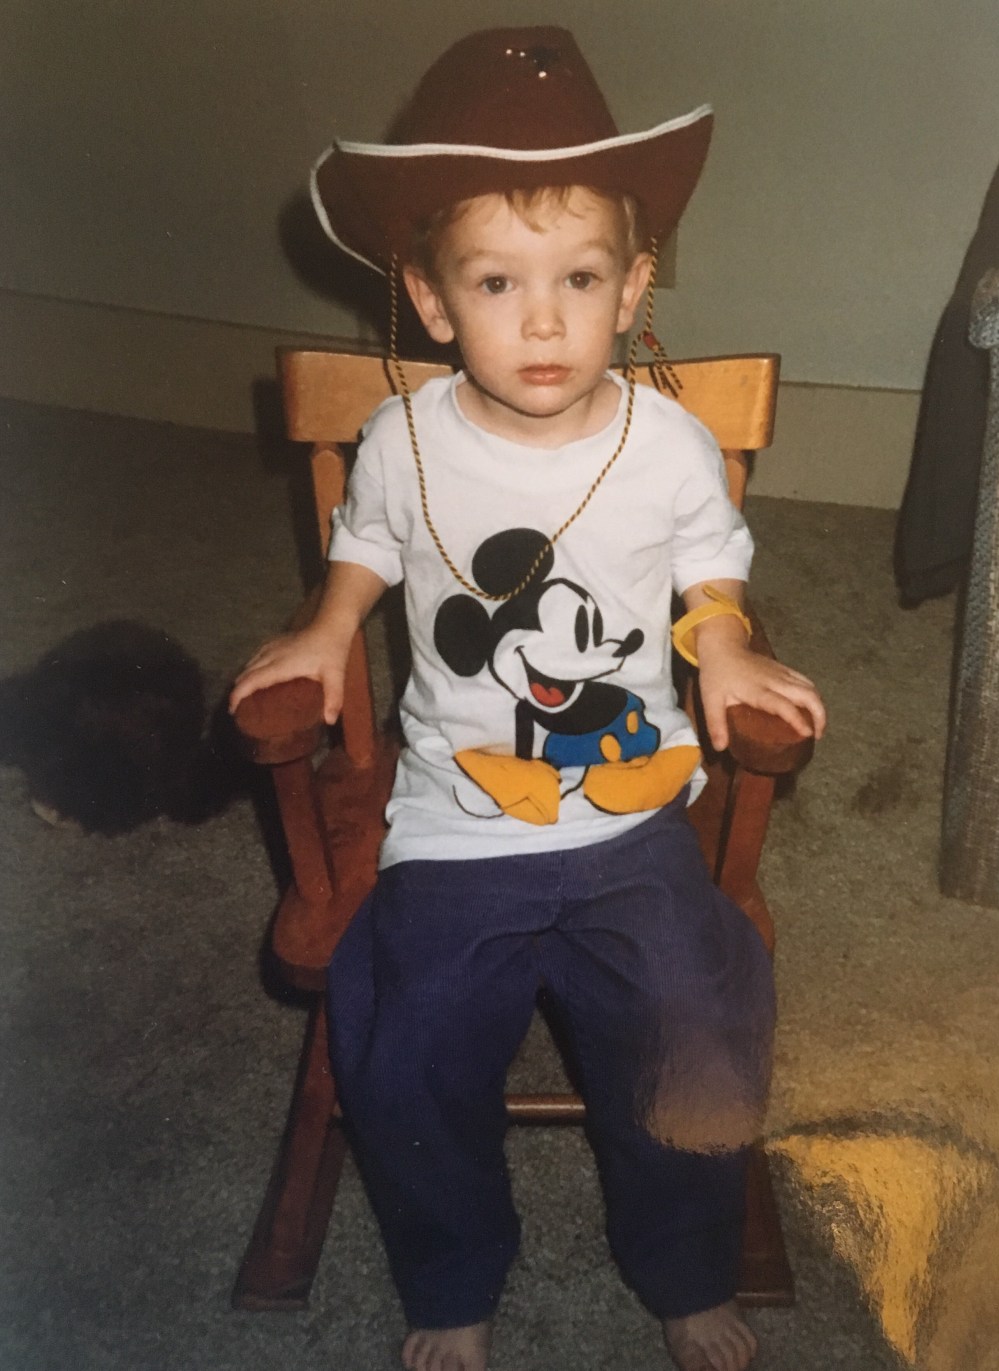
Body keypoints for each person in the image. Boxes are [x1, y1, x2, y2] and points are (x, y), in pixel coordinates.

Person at [231, 27, 826, 1371]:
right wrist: (329, 626)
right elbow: (368, 544)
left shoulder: (666, 442)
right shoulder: (402, 439)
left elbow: (709, 558)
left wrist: (725, 645)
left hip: (630, 810)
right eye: (498, 281)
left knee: (699, 1022)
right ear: (433, 300)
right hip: (457, 817)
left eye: (580, 278)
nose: (544, 320)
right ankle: (452, 1276)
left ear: (633, 287)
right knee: (404, 1041)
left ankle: (684, 1267)